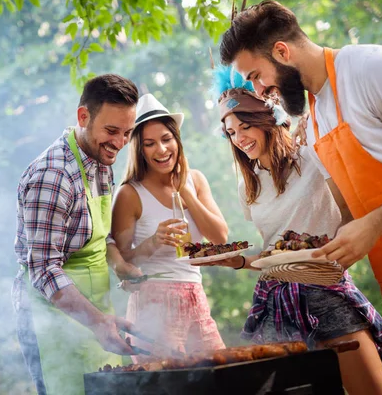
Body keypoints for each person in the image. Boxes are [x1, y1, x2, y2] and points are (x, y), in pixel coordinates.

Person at [219, 0, 382, 389]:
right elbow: (349, 214)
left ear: (282, 52)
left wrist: (376, 223)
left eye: (257, 76)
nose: (260, 90)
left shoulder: (371, 68)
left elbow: (370, 217)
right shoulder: (313, 121)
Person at [209, 65, 382, 395]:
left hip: (326, 292)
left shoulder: (310, 156)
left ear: (266, 120)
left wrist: (340, 254)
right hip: (275, 303)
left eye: (245, 126)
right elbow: (275, 257)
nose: (239, 138)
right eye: (231, 132)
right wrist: (238, 261)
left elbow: (350, 210)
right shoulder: (247, 186)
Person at [12, 74, 144, 395]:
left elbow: (97, 238)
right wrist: (98, 321)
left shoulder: (100, 160)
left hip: (96, 312)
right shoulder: (52, 176)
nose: (120, 143)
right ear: (83, 116)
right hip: (53, 320)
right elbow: (43, 269)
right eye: (111, 131)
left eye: (127, 132)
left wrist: (120, 266)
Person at [111, 93, 227, 362]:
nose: (161, 150)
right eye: (150, 144)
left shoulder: (195, 180)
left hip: (195, 296)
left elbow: (220, 236)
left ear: (177, 140)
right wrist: (153, 242)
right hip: (153, 304)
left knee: (221, 376)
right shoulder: (130, 193)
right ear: (139, 150)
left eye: (166, 139)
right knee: (168, 386)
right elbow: (122, 261)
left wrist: (187, 194)